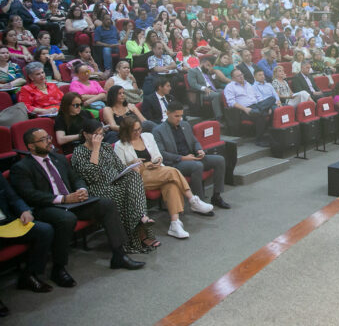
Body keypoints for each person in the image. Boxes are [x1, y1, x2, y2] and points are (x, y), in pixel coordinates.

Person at [10, 128, 145, 288]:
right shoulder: (22, 167)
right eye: (43, 140)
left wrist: (82, 189)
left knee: (107, 204)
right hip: (48, 207)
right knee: (67, 219)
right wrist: (64, 199)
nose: (49, 141)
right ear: (31, 146)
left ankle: (119, 255)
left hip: (73, 201)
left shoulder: (58, 158)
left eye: (48, 137)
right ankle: (58, 268)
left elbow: (76, 178)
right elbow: (30, 195)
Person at [115, 117, 214, 239]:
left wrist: (157, 161)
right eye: (134, 130)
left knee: (171, 184)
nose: (138, 132)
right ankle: (192, 199)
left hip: (155, 169)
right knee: (172, 172)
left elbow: (158, 155)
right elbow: (119, 169)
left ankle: (175, 223)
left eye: (139, 129)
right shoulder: (120, 145)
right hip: (138, 175)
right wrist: (131, 163)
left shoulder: (147, 136)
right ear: (126, 131)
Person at [71, 120, 158, 253]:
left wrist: (130, 167)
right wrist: (95, 149)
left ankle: (141, 219)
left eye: (101, 134)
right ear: (85, 134)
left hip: (116, 180)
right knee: (124, 193)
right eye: (95, 134)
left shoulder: (106, 146)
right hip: (99, 187)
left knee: (134, 177)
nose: (99, 137)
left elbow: (119, 166)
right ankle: (140, 228)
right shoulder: (79, 152)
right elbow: (91, 176)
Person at [154, 101, 231, 209]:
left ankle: (216, 196)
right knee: (197, 166)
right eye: (176, 116)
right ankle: (199, 203)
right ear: (168, 113)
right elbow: (162, 153)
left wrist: (199, 150)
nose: (179, 119)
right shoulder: (158, 130)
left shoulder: (185, 125)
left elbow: (195, 142)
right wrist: (183, 158)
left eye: (181, 115)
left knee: (220, 160)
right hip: (176, 162)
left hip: (192, 157)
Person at [0, 173, 54, 297]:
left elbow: (13, 197)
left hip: (6, 222)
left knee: (45, 231)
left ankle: (29, 275)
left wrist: (24, 210)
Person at [224, 69, 274, 147]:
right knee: (261, 115)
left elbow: (258, 97)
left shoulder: (248, 84)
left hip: (257, 106)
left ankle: (262, 109)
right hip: (244, 110)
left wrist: (268, 106)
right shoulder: (230, 87)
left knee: (272, 99)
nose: (241, 77)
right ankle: (258, 140)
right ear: (233, 78)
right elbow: (231, 102)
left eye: (241, 74)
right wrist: (245, 109)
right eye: (238, 76)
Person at [186, 57, 224, 122]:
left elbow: (216, 84)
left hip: (213, 89)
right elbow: (193, 84)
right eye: (207, 65)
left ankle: (227, 113)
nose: (208, 67)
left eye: (210, 66)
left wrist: (213, 75)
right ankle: (218, 117)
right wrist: (204, 88)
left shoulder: (207, 71)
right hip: (203, 93)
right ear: (202, 63)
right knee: (216, 95)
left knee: (225, 92)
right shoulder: (192, 71)